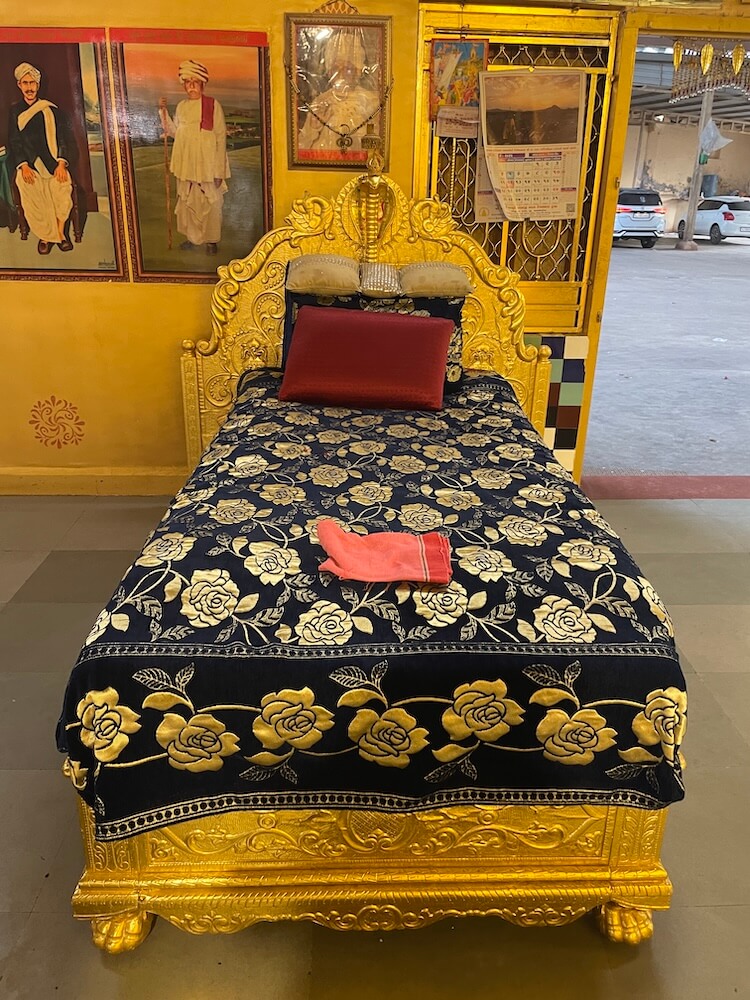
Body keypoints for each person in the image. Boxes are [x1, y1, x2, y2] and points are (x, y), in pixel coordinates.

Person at [158, 60, 230, 255]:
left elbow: (220, 137)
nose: (191, 86)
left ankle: (211, 241)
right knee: (187, 198)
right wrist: (163, 112)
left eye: (195, 81)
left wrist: (219, 170)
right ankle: (192, 238)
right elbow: (174, 132)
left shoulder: (212, 105)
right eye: (187, 82)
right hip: (186, 163)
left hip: (207, 164)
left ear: (202, 84)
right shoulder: (181, 106)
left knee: (211, 201)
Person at [7, 62, 76, 255]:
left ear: (38, 85)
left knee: (62, 188)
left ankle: (59, 234)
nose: (29, 87)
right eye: (25, 83)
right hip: (29, 165)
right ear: (19, 85)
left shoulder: (51, 110)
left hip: (53, 163)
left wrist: (61, 163)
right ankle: (46, 237)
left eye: (32, 83)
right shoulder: (15, 111)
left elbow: (62, 139)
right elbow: (14, 141)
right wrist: (23, 166)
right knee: (32, 193)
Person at [297, 29, 380, 155]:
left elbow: (379, 147)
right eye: (336, 68)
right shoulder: (320, 102)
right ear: (329, 71)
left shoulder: (371, 102)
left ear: (358, 71)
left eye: (348, 68)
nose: (341, 74)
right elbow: (302, 145)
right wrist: (314, 127)